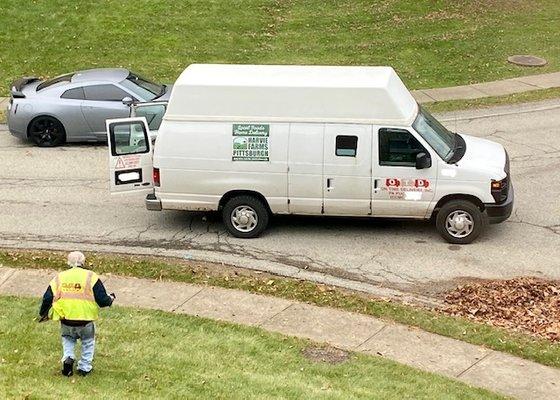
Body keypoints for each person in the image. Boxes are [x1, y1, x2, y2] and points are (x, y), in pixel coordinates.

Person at [38, 251, 115, 377]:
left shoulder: (59, 277)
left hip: (66, 319)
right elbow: (102, 300)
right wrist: (110, 299)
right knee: (88, 341)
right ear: (83, 262)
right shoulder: (91, 276)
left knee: (68, 338)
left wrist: (43, 313)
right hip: (85, 320)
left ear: (68, 262)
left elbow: (47, 297)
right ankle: (84, 367)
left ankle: (68, 357)